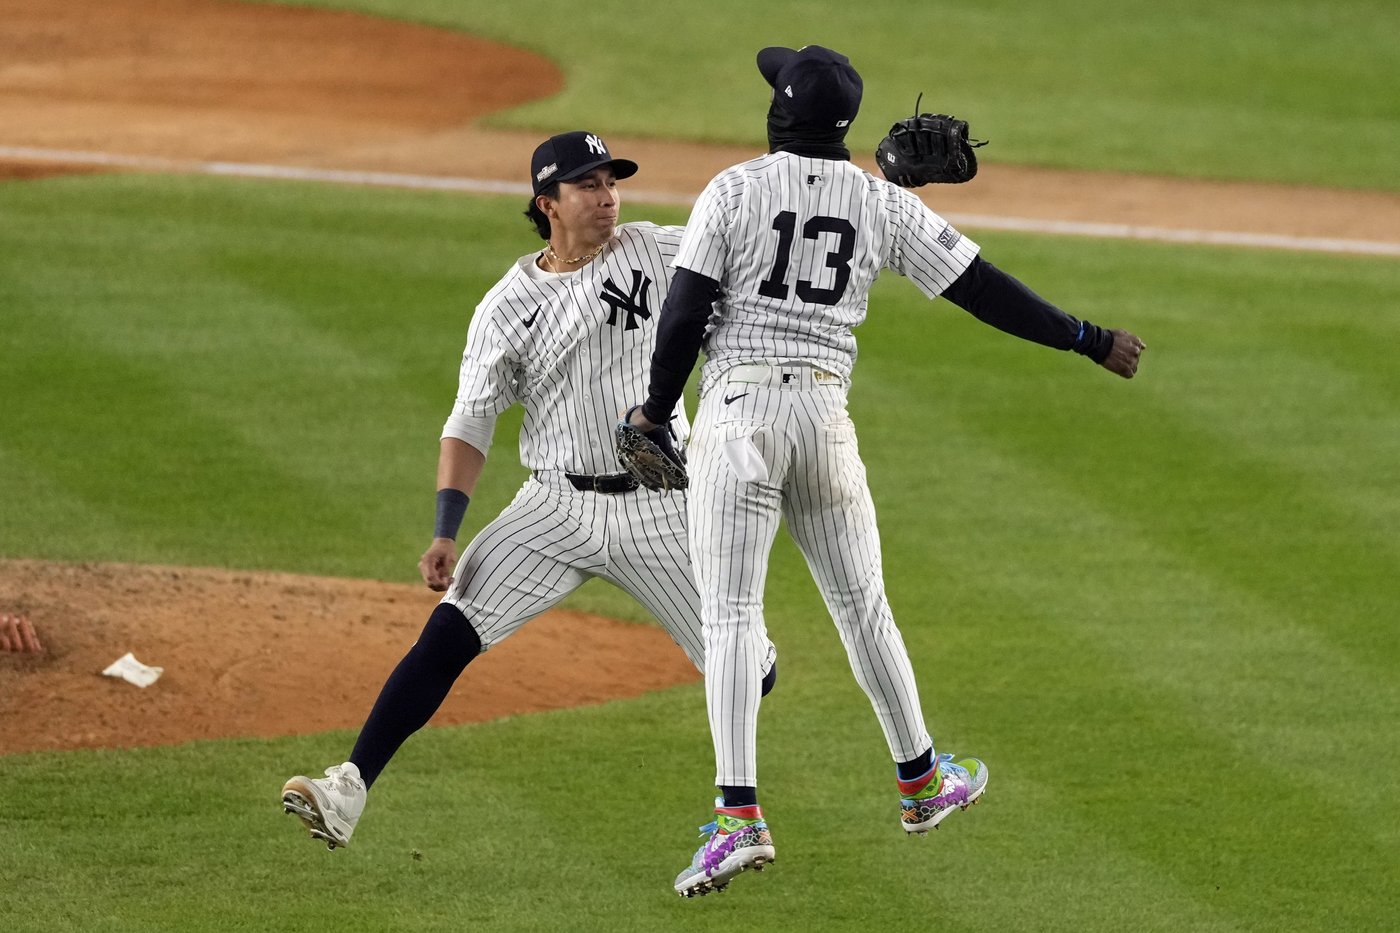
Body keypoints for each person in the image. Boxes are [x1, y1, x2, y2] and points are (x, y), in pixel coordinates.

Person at [627, 45, 1146, 897]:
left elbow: (684, 315)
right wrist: (1087, 338)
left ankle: (738, 818)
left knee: (728, 618)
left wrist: (653, 408)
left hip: (738, 415)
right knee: (863, 605)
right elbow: (983, 288)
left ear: (779, 112)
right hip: (824, 421)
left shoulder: (733, 188)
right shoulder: (881, 204)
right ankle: (920, 781)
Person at [281, 131, 776, 851]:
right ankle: (348, 787)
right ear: (547, 203)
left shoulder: (654, 248)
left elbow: (736, 240)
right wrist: (447, 529)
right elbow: (470, 419)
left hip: (660, 502)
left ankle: (743, 753)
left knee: (749, 672)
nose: (606, 196)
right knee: (451, 628)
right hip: (555, 505)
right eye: (587, 185)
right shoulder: (507, 306)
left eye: (611, 181)